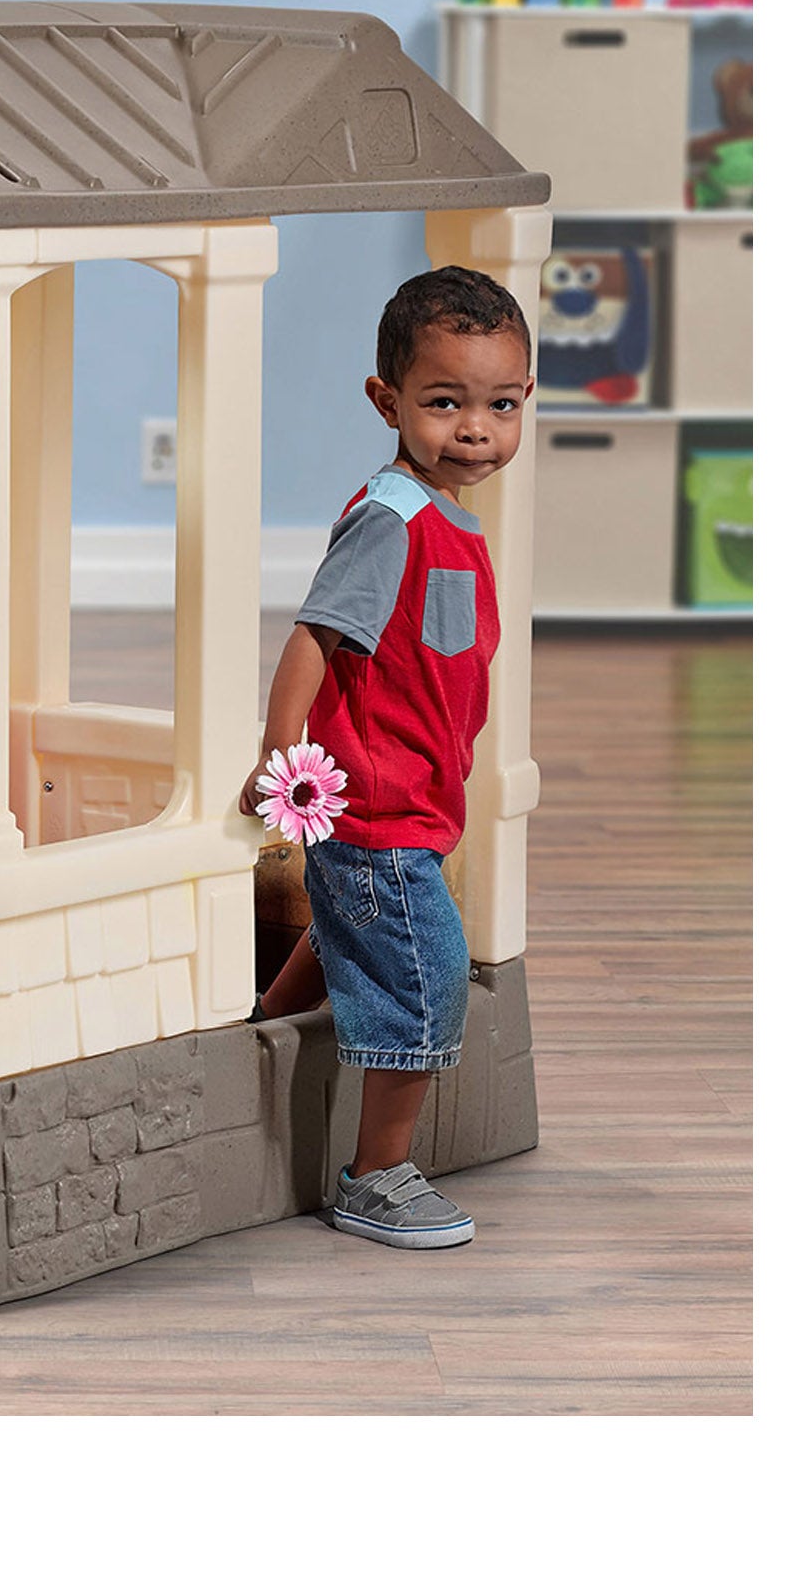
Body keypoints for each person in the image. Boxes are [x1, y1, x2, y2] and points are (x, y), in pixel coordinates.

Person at [240, 265, 534, 1250]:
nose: (476, 430)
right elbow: (315, 636)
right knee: (424, 978)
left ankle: (259, 1027)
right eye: (445, 403)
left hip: (416, 802)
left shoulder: (450, 520)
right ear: (388, 400)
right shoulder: (393, 519)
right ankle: (375, 1176)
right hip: (373, 810)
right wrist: (282, 752)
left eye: (500, 405)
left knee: (351, 932)